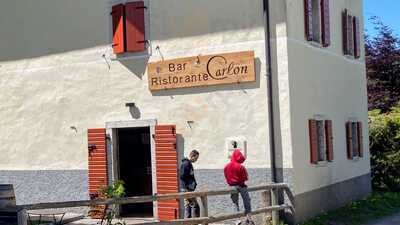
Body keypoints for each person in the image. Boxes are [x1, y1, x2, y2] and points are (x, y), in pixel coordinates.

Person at [224, 149, 253, 224]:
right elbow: (245, 178)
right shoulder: (241, 167)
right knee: (247, 201)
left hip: (232, 186)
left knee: (235, 202)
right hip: (241, 186)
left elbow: (226, 176)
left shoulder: (226, 166)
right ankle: (248, 218)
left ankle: (237, 220)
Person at [179, 149, 200, 218]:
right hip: (187, 189)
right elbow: (182, 176)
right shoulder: (186, 164)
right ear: (192, 156)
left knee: (188, 205)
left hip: (187, 188)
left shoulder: (188, 163)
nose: (196, 160)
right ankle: (194, 222)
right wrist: (186, 189)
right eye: (196, 158)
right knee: (195, 206)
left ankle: (188, 222)